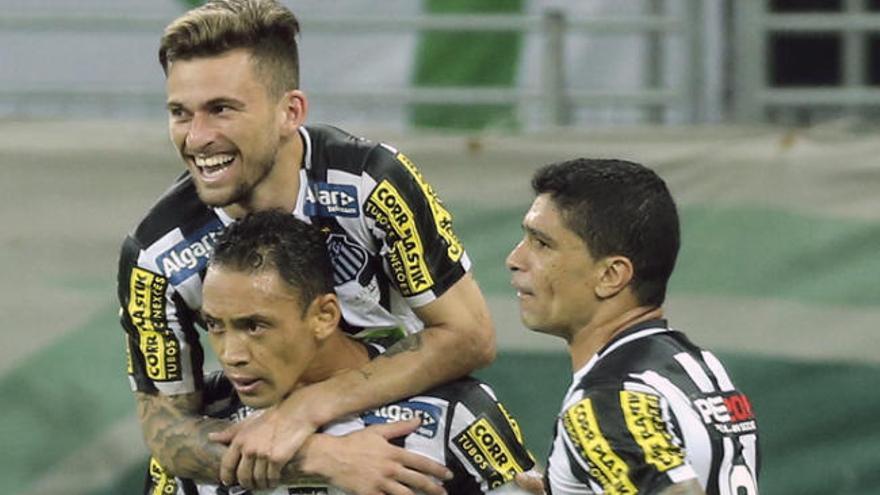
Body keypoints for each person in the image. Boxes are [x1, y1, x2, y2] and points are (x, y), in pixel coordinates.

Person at [117, 0, 495, 491]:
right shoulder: (154, 257)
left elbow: (470, 336)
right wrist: (313, 454)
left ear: (290, 111)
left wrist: (307, 408)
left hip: (408, 421)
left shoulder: (371, 184)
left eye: (222, 110)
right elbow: (166, 430)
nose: (197, 137)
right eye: (179, 113)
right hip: (254, 436)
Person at [144, 210, 535, 494]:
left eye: (254, 326)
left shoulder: (454, 412)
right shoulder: (205, 429)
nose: (231, 354)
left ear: (324, 316)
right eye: (215, 325)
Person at [505, 159, 760, 495]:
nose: (515, 259)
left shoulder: (605, 402)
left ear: (611, 276)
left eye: (542, 244)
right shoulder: (699, 369)